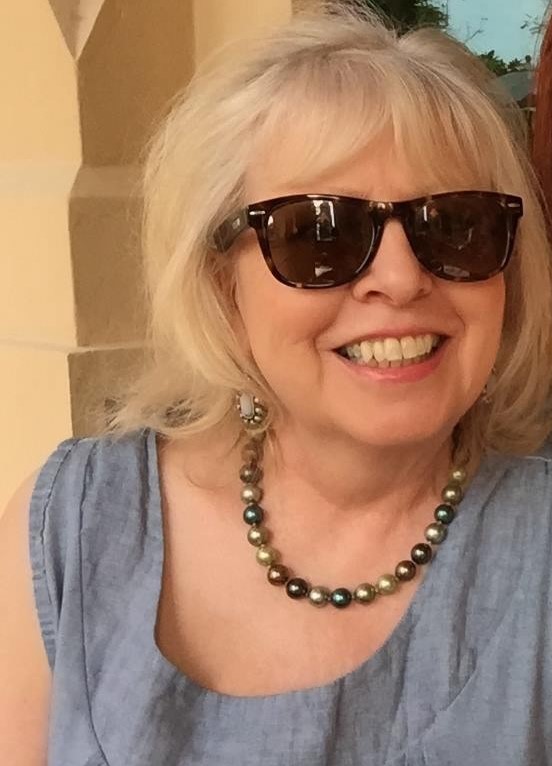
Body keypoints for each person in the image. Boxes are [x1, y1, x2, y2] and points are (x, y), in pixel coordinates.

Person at [3, 4, 552, 764]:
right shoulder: (70, 525)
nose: (400, 279)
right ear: (220, 285)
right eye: (320, 234)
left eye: (456, 225)